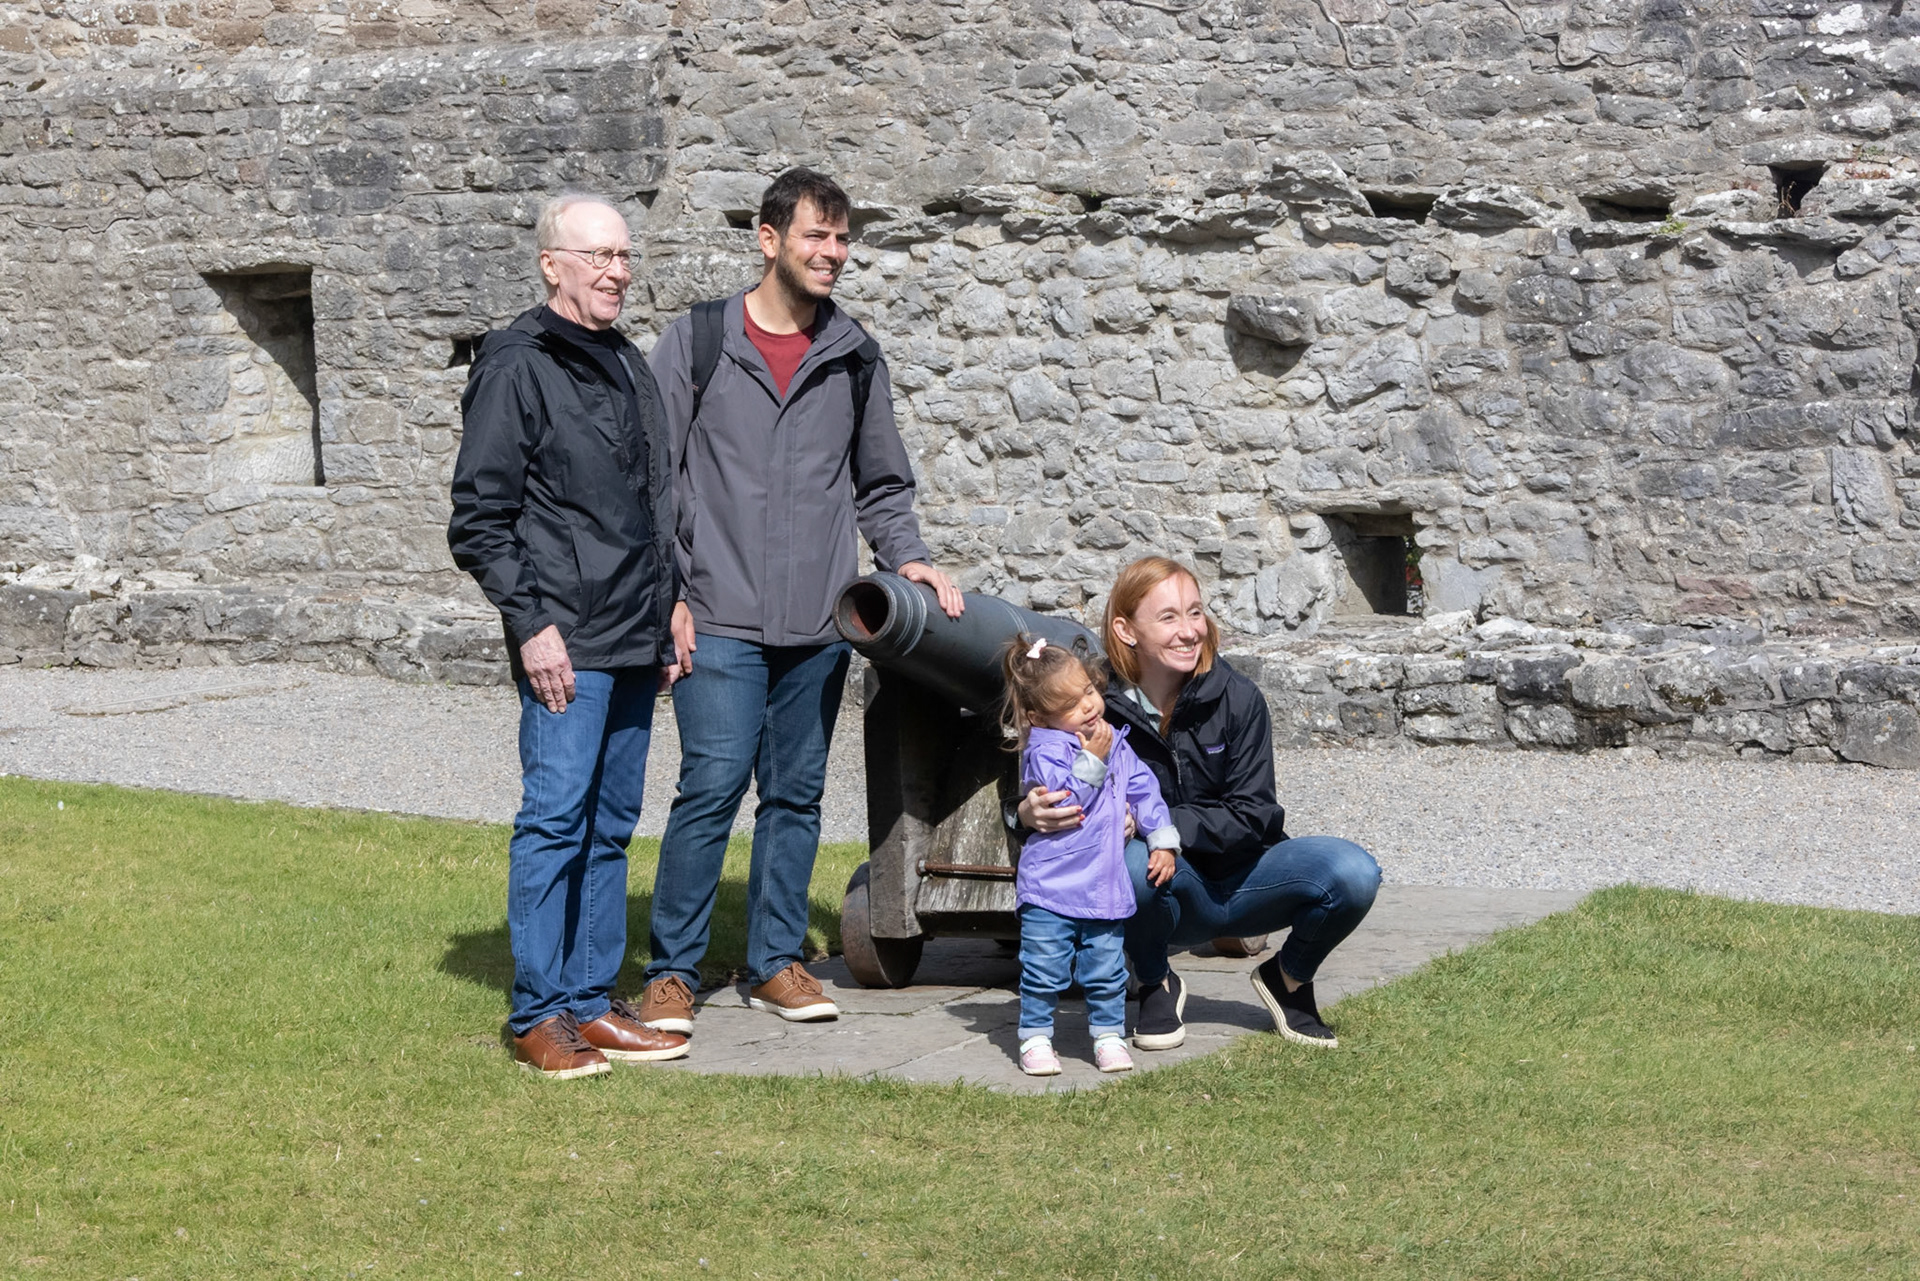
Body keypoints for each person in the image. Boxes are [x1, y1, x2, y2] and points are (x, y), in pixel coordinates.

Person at [637, 167, 963, 1035]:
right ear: (767, 237)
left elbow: (882, 484)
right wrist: (668, 595)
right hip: (718, 613)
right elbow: (653, 481)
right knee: (711, 785)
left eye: (843, 238)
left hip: (819, 623)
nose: (834, 253)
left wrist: (911, 560)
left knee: (796, 795)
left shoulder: (854, 355)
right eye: (818, 235)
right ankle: (672, 972)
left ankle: (777, 960)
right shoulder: (698, 342)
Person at [448, 193, 692, 1078]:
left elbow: (645, 503)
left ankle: (591, 1003)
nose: (617, 272)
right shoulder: (518, 362)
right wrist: (530, 623)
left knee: (610, 825)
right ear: (552, 262)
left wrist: (670, 603)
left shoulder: (625, 360)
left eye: (625, 256)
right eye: (598, 256)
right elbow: (480, 517)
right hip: (566, 641)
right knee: (554, 822)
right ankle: (537, 1013)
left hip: (632, 633)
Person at [1018, 556, 1381, 1051]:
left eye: (1195, 612)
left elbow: (1255, 814)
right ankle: (1154, 980)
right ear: (1125, 630)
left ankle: (1289, 979)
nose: (1190, 630)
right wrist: (1023, 814)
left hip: (1248, 876)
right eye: (1169, 617)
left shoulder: (1239, 697)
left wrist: (1158, 823)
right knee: (1126, 862)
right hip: (1164, 889)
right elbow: (1039, 777)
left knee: (1354, 872)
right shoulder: (1087, 703)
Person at [1000, 635, 1182, 1077]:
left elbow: (1144, 789)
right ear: (1038, 717)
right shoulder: (1044, 749)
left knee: (1106, 970)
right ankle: (1036, 1038)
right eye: (1070, 704)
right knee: (1043, 969)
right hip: (1052, 887)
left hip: (1102, 884)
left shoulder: (1111, 740)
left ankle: (1108, 1035)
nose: (1087, 706)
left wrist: (1162, 838)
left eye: (1088, 692)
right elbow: (1066, 801)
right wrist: (1093, 760)